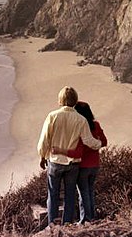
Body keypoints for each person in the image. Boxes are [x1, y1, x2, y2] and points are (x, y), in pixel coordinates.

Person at [37, 87, 102, 225]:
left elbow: (44, 139)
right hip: (73, 164)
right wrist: (99, 144)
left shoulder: (52, 116)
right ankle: (67, 225)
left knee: (53, 194)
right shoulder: (81, 119)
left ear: (60, 100)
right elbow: (88, 141)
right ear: (75, 100)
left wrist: (42, 156)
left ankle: (52, 225)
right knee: (70, 196)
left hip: (55, 162)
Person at [53, 101, 107, 223]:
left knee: (83, 194)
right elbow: (104, 142)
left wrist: (60, 150)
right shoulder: (96, 125)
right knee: (90, 191)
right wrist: (96, 143)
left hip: (83, 166)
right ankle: (91, 217)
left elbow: (77, 153)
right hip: (95, 164)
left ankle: (86, 219)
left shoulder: (81, 127)